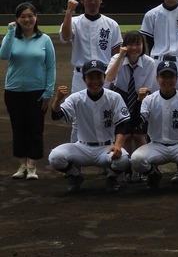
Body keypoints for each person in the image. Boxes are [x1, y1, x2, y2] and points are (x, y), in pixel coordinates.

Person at [48, 60, 130, 193]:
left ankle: (112, 177)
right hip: (82, 148)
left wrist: (118, 145)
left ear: (104, 77)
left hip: (106, 148)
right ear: (84, 79)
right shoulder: (76, 98)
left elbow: (122, 124)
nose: (95, 81)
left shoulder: (114, 97)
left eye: (98, 77)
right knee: (55, 157)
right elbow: (57, 115)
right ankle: (75, 176)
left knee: (124, 159)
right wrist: (57, 100)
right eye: (91, 77)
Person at [129, 60, 178, 190]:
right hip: (156, 145)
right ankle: (153, 175)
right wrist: (138, 101)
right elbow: (135, 122)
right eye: (164, 77)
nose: (167, 80)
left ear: (176, 78)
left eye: (170, 76)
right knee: (136, 160)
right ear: (157, 79)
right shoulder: (149, 100)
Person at [1, 3, 56, 180]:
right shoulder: (11, 37)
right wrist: (10, 32)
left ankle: (32, 166)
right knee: (18, 128)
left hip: (37, 91)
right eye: (22, 16)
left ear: (36, 17)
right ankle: (22, 165)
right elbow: (4, 55)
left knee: (35, 127)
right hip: (14, 90)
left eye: (30, 15)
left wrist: (48, 92)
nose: (27, 19)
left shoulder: (44, 39)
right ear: (17, 19)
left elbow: (51, 66)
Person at [105, 30, 158, 183]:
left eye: (138, 44)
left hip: (141, 97)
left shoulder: (149, 62)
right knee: (126, 135)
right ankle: (126, 169)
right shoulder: (117, 58)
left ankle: (144, 168)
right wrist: (121, 56)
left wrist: (141, 100)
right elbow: (109, 78)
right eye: (131, 44)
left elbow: (149, 86)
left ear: (143, 45)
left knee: (140, 135)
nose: (134, 48)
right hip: (120, 97)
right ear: (124, 46)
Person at [59, 0, 122, 94]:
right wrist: (69, 12)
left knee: (104, 109)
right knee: (79, 109)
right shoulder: (74, 22)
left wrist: (115, 78)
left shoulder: (112, 24)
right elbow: (65, 37)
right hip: (80, 76)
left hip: (104, 75)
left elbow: (116, 54)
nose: (92, 1)